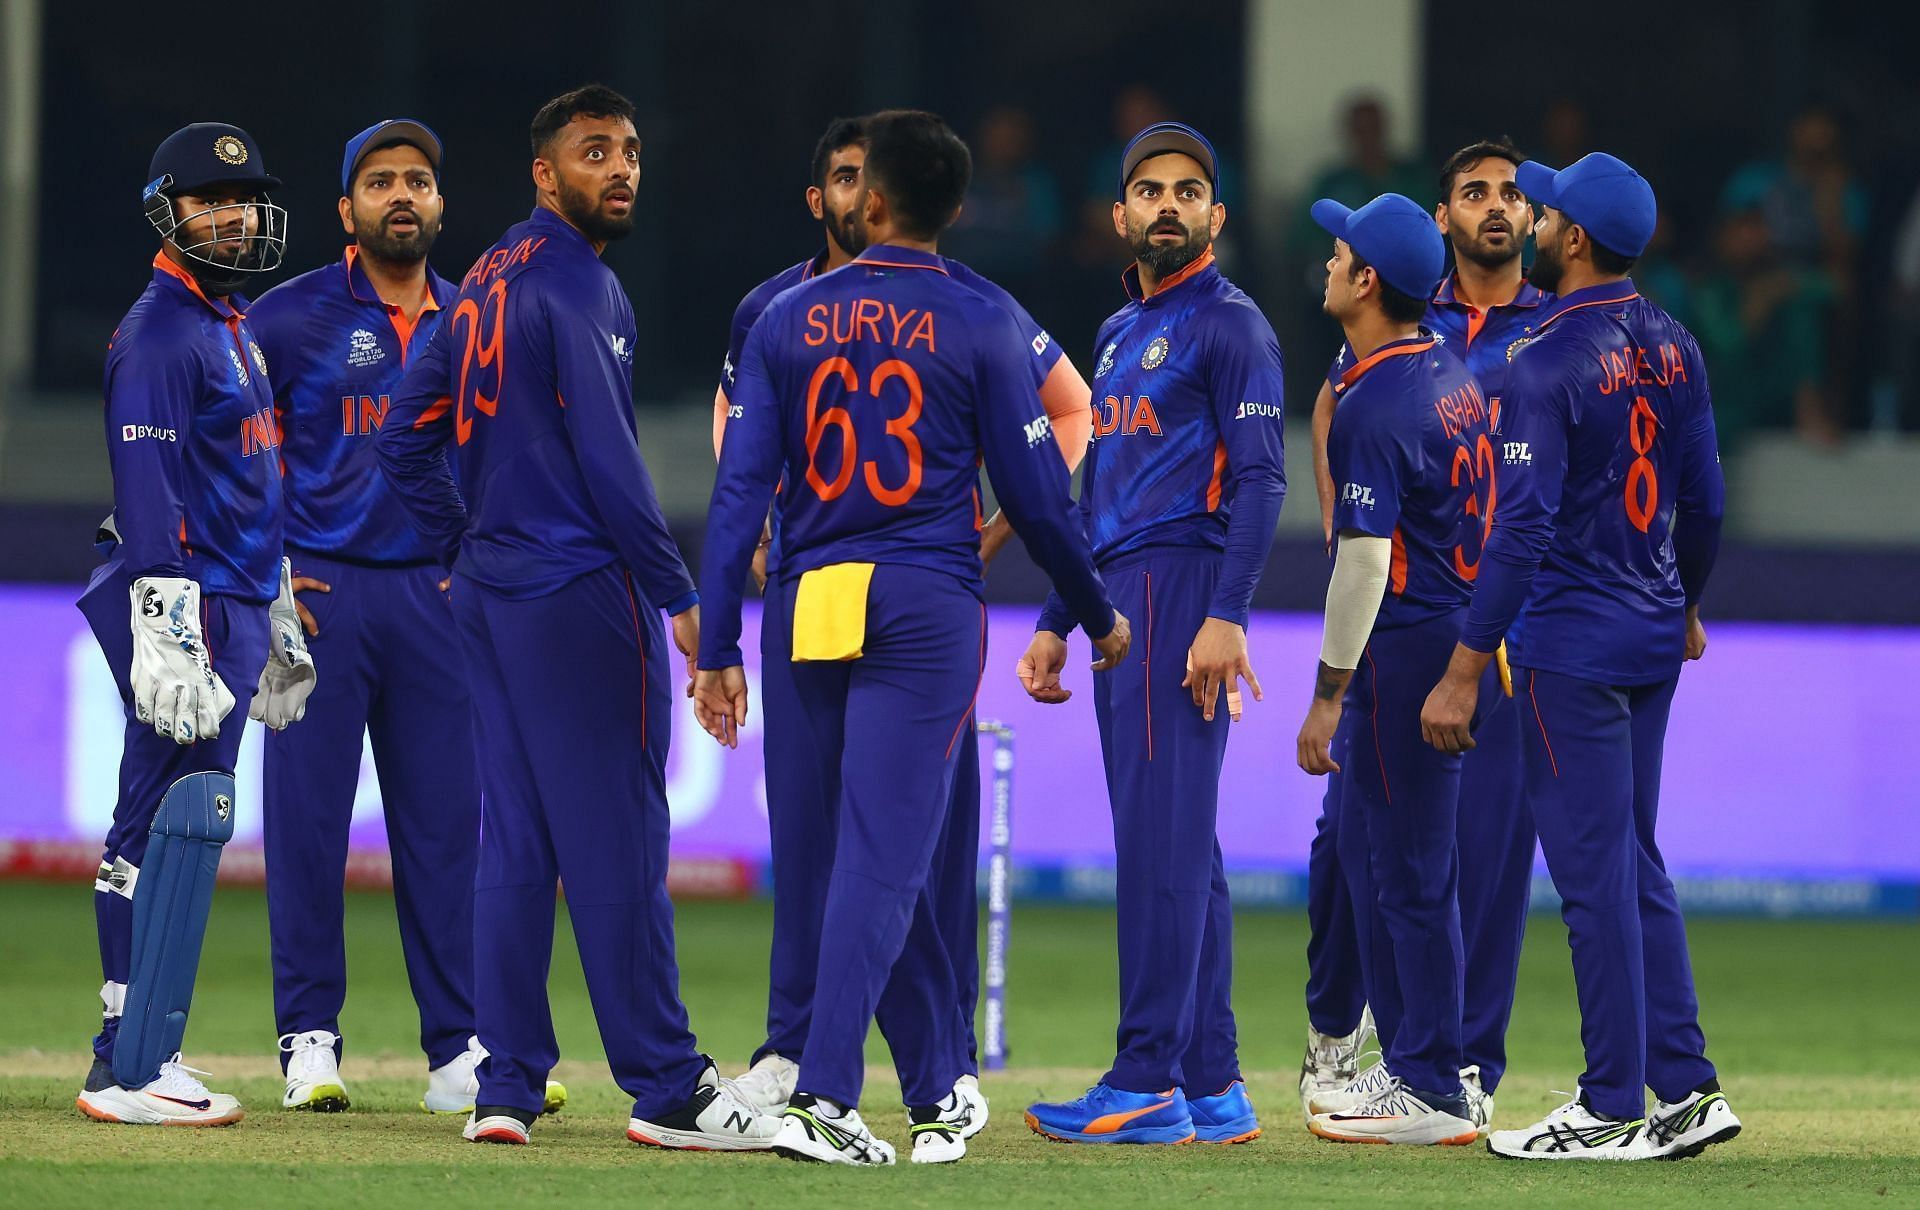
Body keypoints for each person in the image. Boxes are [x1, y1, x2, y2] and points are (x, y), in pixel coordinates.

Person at [696, 108, 1125, 1167]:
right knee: (888, 856)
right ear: (955, 207)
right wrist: (1098, 611)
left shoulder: (784, 320)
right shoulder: (980, 319)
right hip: (925, 602)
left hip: (810, 595)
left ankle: (935, 1087)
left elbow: (740, 493)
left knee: (840, 851)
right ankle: (828, 1096)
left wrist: (716, 644)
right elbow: (1034, 496)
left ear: (871, 200)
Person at [377, 84, 773, 1152]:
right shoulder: (578, 285)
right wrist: (681, 595)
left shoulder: (483, 282)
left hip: (495, 600)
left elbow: (403, 437)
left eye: (633, 150)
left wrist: (463, 545)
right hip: (581, 595)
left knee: (515, 845)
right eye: (596, 152)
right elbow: (611, 464)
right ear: (548, 174)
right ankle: (668, 1084)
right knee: (616, 843)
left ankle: (505, 1082)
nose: (623, 169)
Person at [1421, 152, 1739, 1161]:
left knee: (1596, 876)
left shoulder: (1546, 360)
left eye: (1547, 210)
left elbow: (1519, 531)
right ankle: (1685, 1087)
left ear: (1577, 240)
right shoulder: (1676, 343)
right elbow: (1708, 501)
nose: (1534, 217)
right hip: (1648, 631)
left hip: (1571, 643)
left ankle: (1610, 1103)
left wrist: (1467, 665)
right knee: (1635, 862)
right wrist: (1685, 602)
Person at [248, 119, 564, 1119]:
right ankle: (309, 1040)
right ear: (347, 209)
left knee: (445, 836)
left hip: (436, 601)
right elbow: (236, 456)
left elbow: (506, 460)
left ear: (439, 203)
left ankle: (458, 1049)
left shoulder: (478, 316)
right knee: (304, 827)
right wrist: (267, 580)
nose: (400, 195)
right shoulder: (287, 315)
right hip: (318, 603)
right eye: (379, 181)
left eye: (417, 181)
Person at [1020, 122, 1287, 1147]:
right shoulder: (1120, 332)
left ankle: (1143, 1078)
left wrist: (1228, 612)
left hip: (1182, 586)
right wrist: (1057, 614)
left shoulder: (1231, 326)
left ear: (1215, 216)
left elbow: (1260, 479)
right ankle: (1212, 1083)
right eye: (1148, 190)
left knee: (1160, 846)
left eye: (1188, 190)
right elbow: (1099, 491)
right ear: (1120, 215)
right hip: (1123, 586)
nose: (1167, 205)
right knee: (1183, 845)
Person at [1300, 141, 1542, 1131]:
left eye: (1339, 253)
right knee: (1389, 859)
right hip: (1449, 625)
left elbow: (1362, 567)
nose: (1326, 263)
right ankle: (1422, 1065)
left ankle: (1433, 1081)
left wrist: (1326, 692)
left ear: (1367, 281)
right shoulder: (1440, 370)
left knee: (1408, 870)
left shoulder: (1382, 398)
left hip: (1408, 644)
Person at [75, 122, 310, 1127]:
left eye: (247, 198)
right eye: (214, 200)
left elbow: (251, 475)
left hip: (237, 602)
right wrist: (168, 634)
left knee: (184, 820)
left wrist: (282, 605)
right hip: (191, 610)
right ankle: (131, 1062)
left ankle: (135, 1054)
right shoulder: (164, 334)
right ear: (169, 214)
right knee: (161, 825)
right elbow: (149, 498)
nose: (237, 215)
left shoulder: (230, 320)